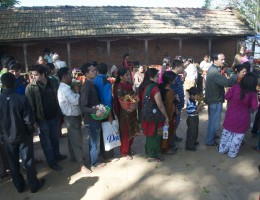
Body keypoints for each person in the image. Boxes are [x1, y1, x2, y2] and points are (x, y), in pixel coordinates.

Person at [0, 72, 45, 193]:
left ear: (2, 84)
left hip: (7, 138)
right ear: (14, 83)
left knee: (13, 163)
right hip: (23, 135)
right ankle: (33, 185)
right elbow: (28, 120)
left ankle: (19, 186)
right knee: (28, 160)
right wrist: (30, 132)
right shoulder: (21, 99)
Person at [25, 64, 66, 171]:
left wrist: (59, 113)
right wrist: (34, 122)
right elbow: (30, 106)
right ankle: (51, 162)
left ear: (43, 74)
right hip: (42, 120)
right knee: (46, 142)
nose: (33, 77)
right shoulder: (30, 88)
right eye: (32, 75)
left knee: (55, 139)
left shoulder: (53, 82)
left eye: (35, 75)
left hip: (54, 116)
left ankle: (56, 155)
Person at [57, 67, 92, 174]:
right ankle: (81, 164)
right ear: (64, 76)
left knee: (72, 139)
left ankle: (74, 157)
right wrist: (77, 91)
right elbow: (76, 100)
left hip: (72, 117)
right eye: (69, 74)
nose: (71, 76)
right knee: (77, 141)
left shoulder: (65, 87)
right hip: (71, 117)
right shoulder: (65, 89)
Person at [218, 72, 258, 158]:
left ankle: (222, 149)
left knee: (226, 134)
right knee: (237, 138)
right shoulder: (252, 94)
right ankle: (232, 153)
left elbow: (226, 96)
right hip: (243, 119)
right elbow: (255, 107)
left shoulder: (235, 87)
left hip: (231, 115)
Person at [205, 53, 238, 146]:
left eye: (224, 59)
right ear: (215, 60)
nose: (223, 61)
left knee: (212, 120)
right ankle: (209, 140)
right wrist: (235, 76)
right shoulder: (214, 72)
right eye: (221, 59)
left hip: (213, 99)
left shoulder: (214, 69)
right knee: (214, 122)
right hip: (215, 100)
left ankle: (211, 136)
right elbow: (227, 82)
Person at [138, 68, 169, 162]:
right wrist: (166, 117)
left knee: (149, 135)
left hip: (146, 115)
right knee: (155, 135)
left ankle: (149, 151)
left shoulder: (144, 86)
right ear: (151, 78)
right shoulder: (154, 88)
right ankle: (153, 155)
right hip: (155, 117)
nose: (158, 77)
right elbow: (160, 105)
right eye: (156, 76)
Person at [80, 63, 106, 168]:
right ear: (86, 74)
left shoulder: (92, 84)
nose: (95, 71)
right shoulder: (86, 87)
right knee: (94, 142)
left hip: (95, 118)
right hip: (91, 119)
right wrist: (95, 111)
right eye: (92, 71)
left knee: (94, 142)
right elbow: (83, 107)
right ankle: (94, 163)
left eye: (95, 70)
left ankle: (94, 160)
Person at [113, 68, 139, 160]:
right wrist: (130, 105)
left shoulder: (128, 84)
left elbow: (134, 95)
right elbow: (121, 101)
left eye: (129, 75)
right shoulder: (119, 87)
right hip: (125, 112)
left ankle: (129, 148)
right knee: (125, 132)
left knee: (132, 130)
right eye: (126, 75)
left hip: (132, 111)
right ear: (121, 77)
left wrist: (135, 101)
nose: (129, 77)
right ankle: (124, 151)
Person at [93, 63, 117, 160]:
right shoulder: (106, 82)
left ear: (97, 71)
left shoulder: (93, 80)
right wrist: (110, 114)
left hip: (96, 110)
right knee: (108, 131)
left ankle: (100, 152)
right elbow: (108, 100)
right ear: (106, 71)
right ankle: (108, 155)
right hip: (105, 111)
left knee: (100, 132)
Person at [159, 71, 178, 154]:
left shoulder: (162, 88)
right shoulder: (169, 92)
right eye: (174, 79)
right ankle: (165, 148)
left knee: (165, 132)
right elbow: (170, 105)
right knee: (167, 132)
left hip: (163, 114)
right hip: (168, 115)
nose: (175, 80)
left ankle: (165, 146)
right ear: (170, 81)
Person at [171, 59, 185, 144]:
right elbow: (172, 93)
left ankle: (174, 136)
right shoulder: (172, 77)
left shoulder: (177, 76)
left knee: (176, 122)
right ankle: (170, 141)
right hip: (175, 106)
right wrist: (175, 106)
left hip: (178, 105)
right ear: (177, 67)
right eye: (182, 67)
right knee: (174, 123)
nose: (183, 69)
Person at [185, 87, 203, 151]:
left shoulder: (193, 101)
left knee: (195, 131)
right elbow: (194, 111)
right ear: (192, 95)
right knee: (191, 132)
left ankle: (193, 142)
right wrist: (199, 107)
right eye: (196, 95)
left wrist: (198, 107)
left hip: (194, 117)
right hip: (191, 118)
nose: (197, 96)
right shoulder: (190, 103)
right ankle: (189, 145)